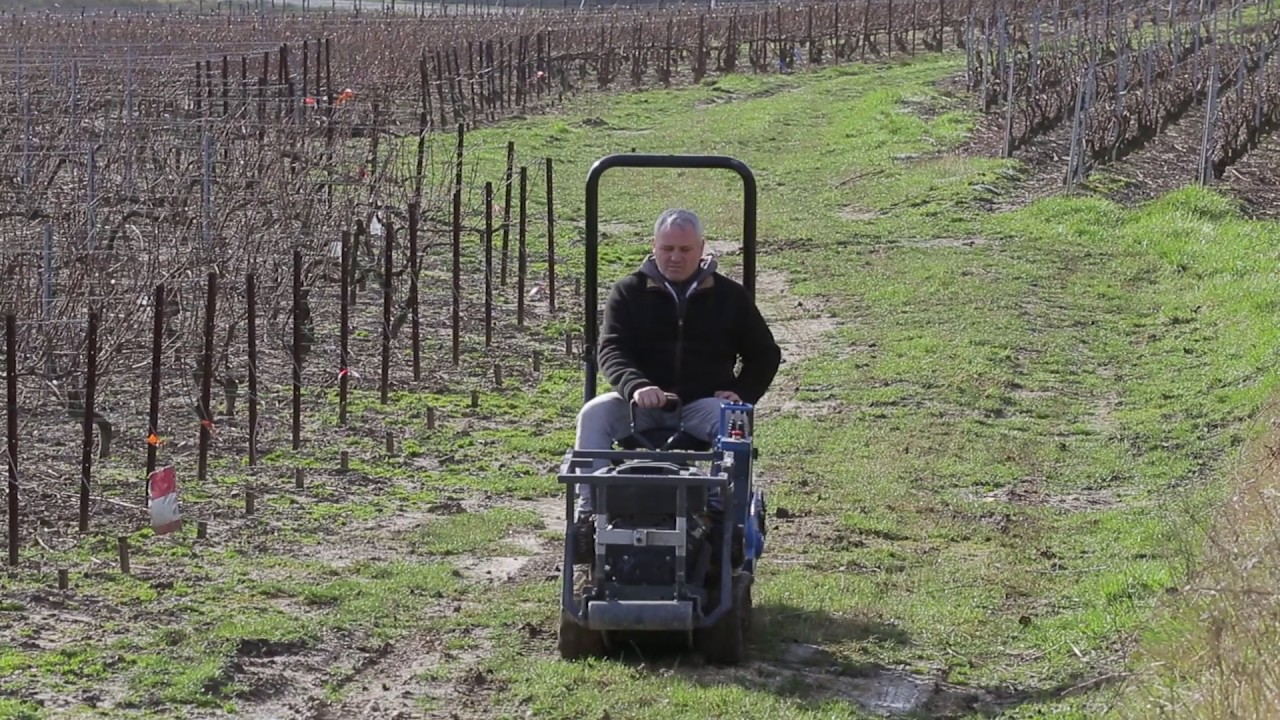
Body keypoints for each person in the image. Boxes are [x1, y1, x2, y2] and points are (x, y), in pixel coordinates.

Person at [571, 208, 782, 552]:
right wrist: (636, 386)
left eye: (684, 250)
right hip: (639, 404)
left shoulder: (730, 297)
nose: (675, 257)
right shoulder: (628, 292)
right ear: (654, 246)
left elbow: (765, 354)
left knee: (731, 420)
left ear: (702, 249)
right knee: (593, 414)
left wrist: (740, 392)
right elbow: (611, 350)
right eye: (667, 249)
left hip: (702, 403)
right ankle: (590, 513)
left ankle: (718, 516)